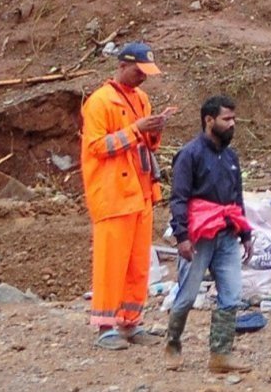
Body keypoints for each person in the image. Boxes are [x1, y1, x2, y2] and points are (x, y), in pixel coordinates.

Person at [82, 42, 175, 350]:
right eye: (139, 71)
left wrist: (155, 127)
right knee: (111, 263)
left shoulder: (142, 99)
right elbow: (97, 147)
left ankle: (130, 322)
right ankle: (105, 326)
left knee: (138, 265)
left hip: (141, 191)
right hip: (112, 195)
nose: (143, 78)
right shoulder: (100, 102)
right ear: (122, 66)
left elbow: (149, 145)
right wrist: (137, 129)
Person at [164, 95, 253, 373]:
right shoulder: (189, 155)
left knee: (231, 294)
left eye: (234, 119)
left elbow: (237, 198)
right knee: (188, 295)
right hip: (199, 235)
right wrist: (182, 237)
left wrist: (246, 234)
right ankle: (173, 342)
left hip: (227, 234)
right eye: (227, 119)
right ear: (209, 120)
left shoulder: (231, 157)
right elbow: (179, 198)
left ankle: (221, 355)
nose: (232, 125)